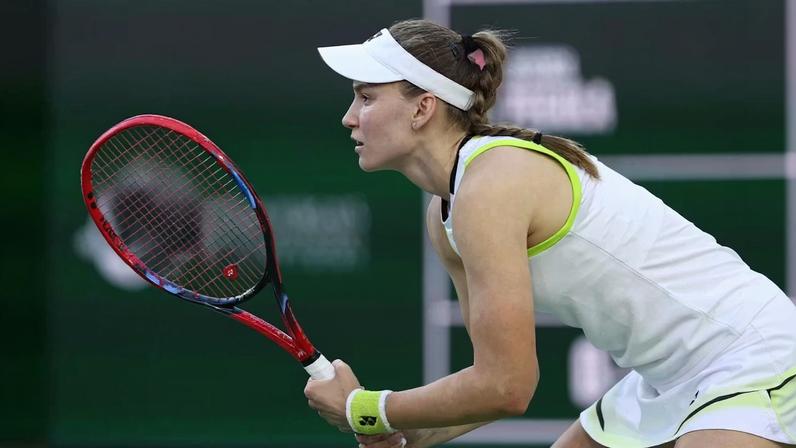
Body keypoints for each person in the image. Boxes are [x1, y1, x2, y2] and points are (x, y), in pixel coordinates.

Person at [303, 19, 796, 448]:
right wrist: (407, 433)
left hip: (747, 353)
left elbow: (508, 387)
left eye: (366, 97)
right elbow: (491, 388)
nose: (349, 117)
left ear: (422, 108)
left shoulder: (491, 185)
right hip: (662, 377)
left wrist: (366, 409)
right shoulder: (444, 214)